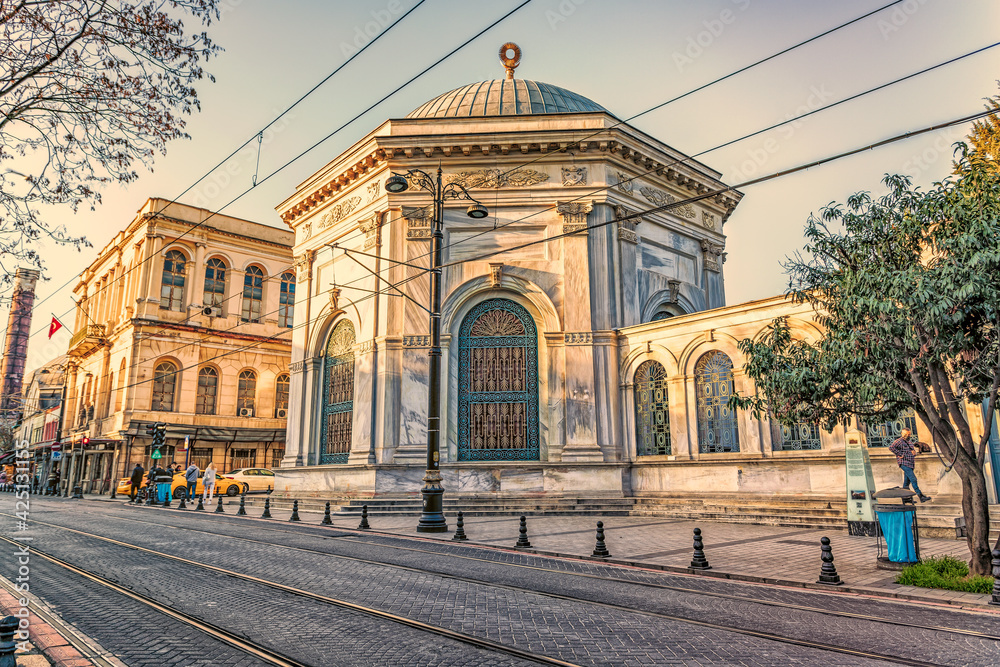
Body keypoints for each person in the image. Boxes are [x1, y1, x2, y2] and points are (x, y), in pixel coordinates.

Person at [889, 428, 931, 502]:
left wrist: (914, 453)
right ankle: (920, 496)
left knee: (906, 483)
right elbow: (891, 447)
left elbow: (912, 451)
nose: (908, 435)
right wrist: (900, 454)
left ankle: (906, 498)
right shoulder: (899, 441)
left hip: (910, 463)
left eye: (909, 434)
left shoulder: (909, 442)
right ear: (902, 434)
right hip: (904, 463)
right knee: (913, 479)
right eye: (906, 434)